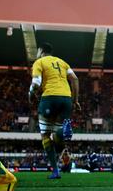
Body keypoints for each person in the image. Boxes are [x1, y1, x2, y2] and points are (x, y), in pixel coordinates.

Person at [29, 43, 80, 179]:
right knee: (57, 135)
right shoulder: (62, 62)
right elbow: (75, 79)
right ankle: (60, 132)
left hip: (49, 98)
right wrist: (75, 101)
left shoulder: (39, 62)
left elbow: (36, 82)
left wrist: (30, 93)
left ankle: (56, 171)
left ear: (41, 51)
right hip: (66, 99)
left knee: (45, 135)